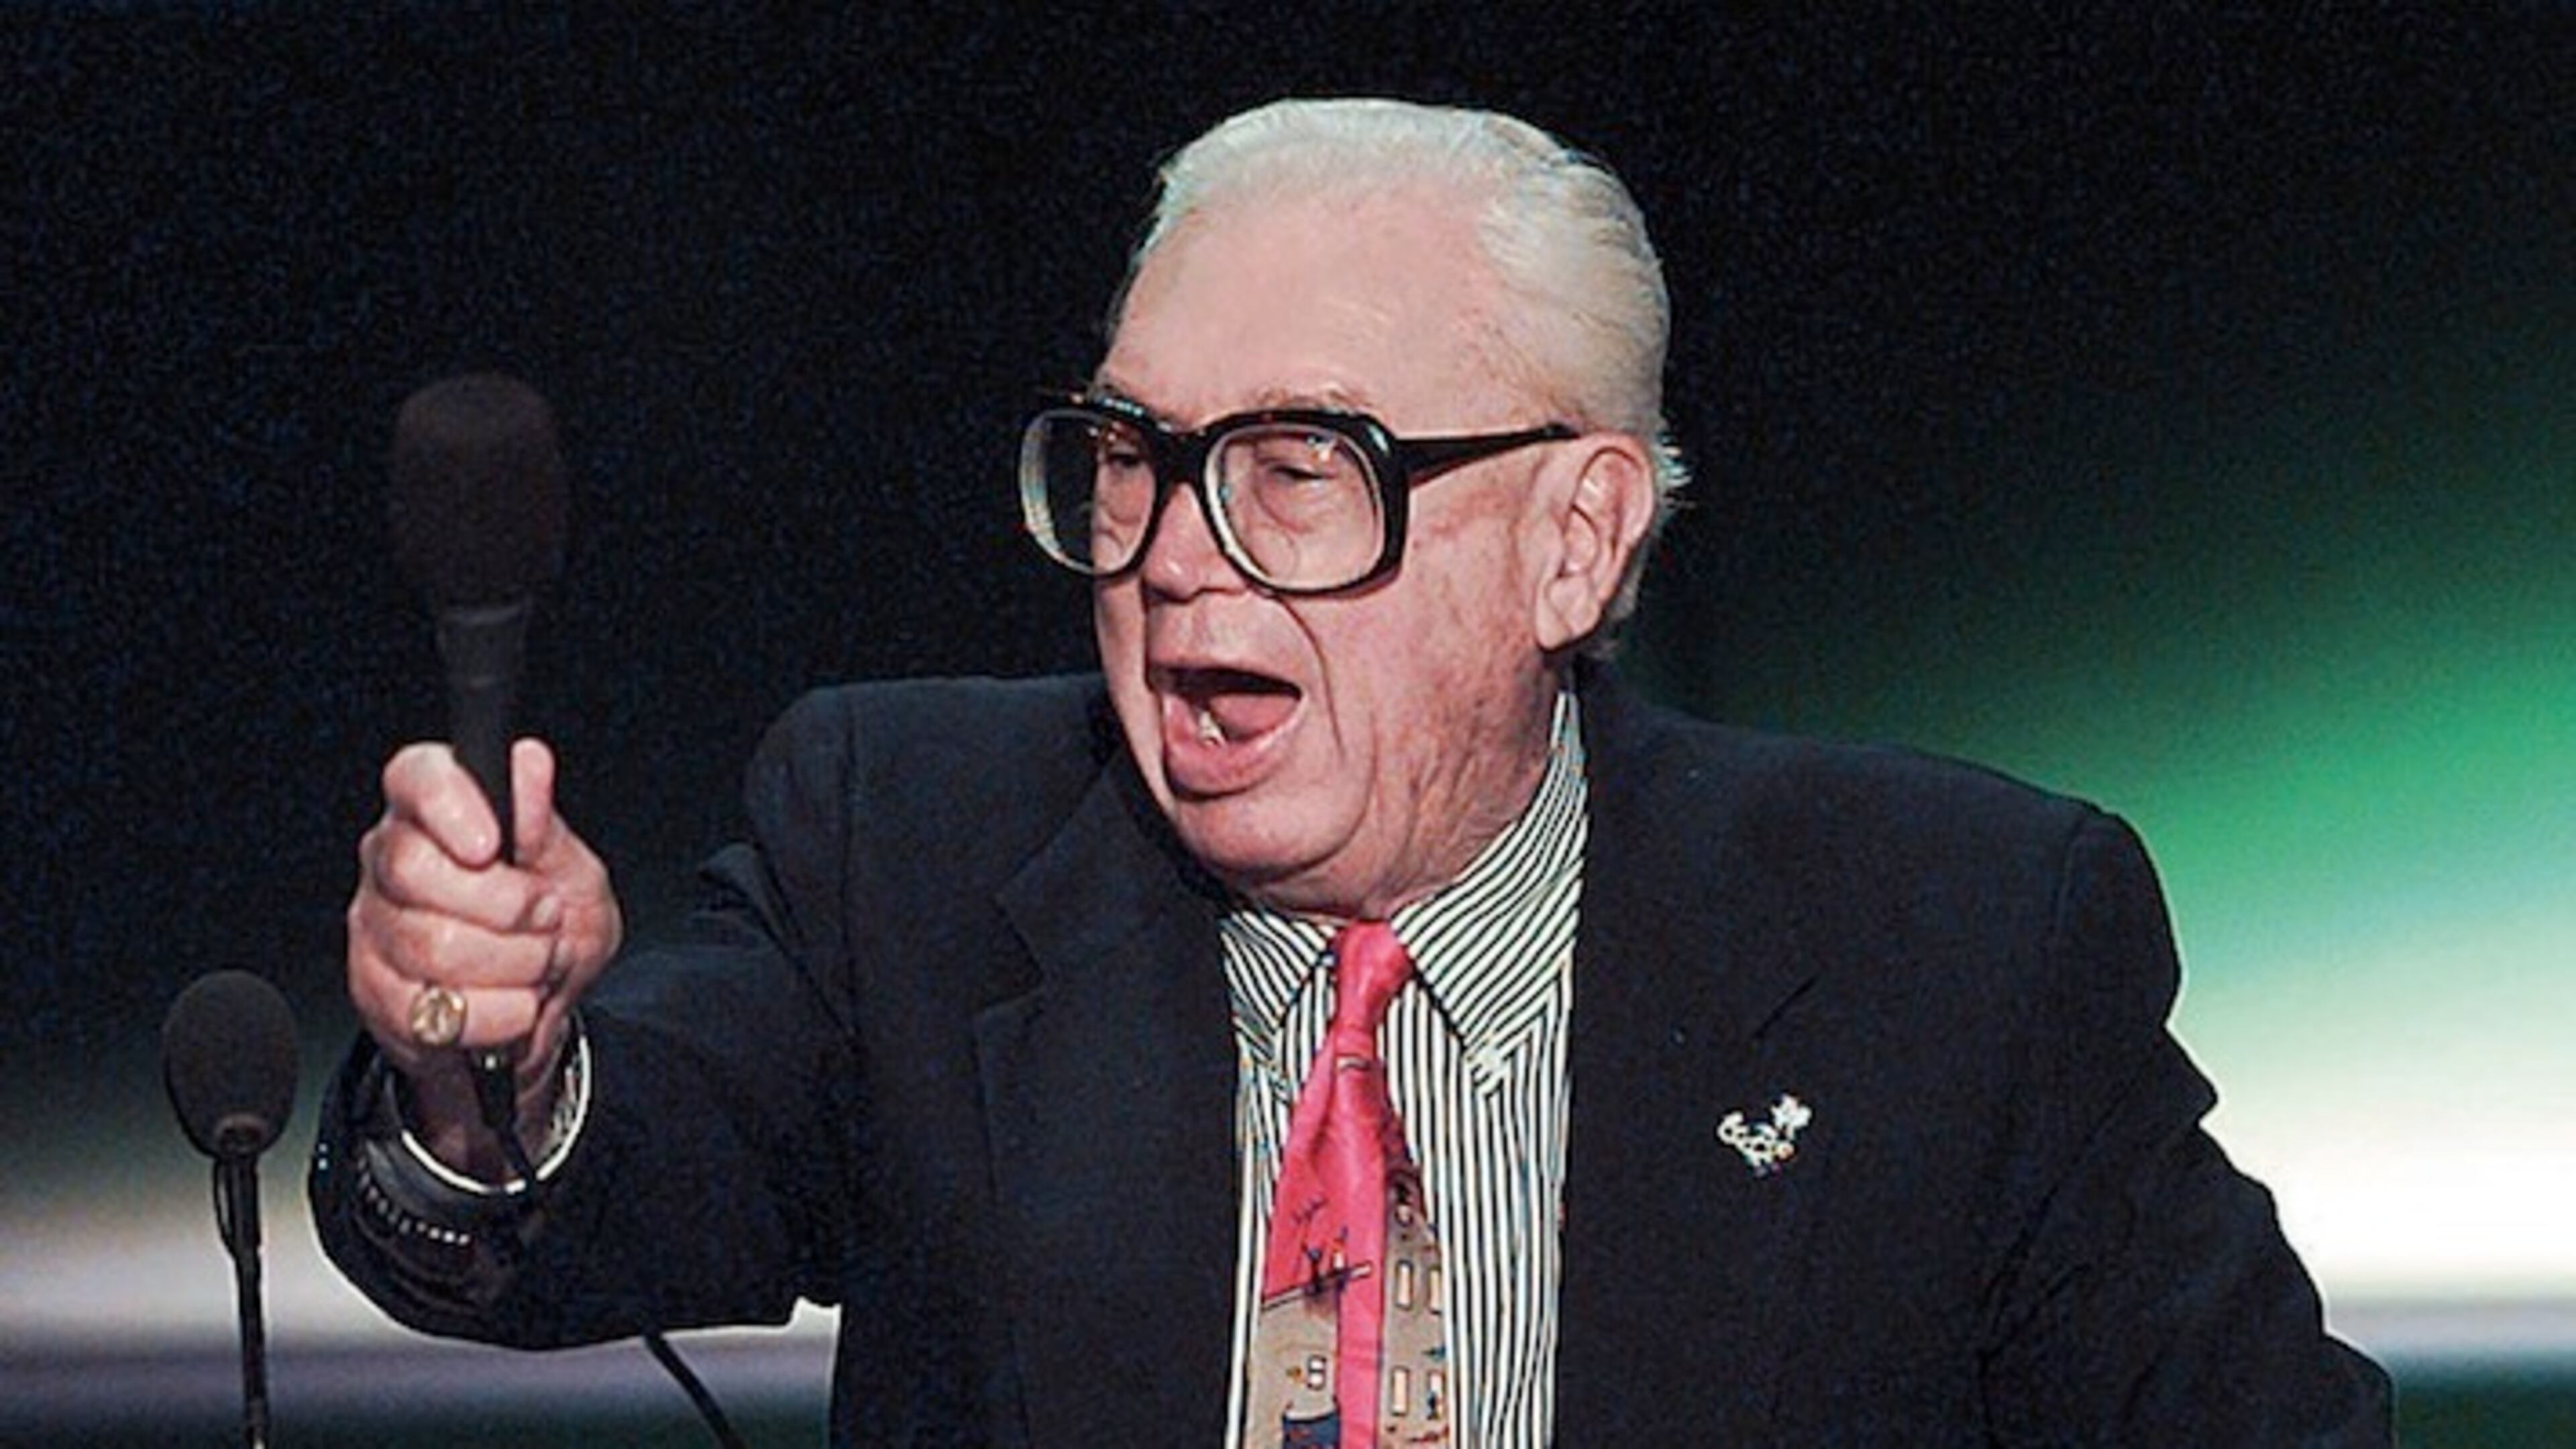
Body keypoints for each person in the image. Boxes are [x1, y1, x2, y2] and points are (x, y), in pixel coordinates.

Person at [312, 97, 2392, 1445]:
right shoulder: (909, 844)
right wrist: (478, 1066)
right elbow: (573, 1207)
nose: (1180, 551)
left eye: (1305, 470)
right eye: (1132, 460)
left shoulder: (1951, 941)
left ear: (1574, 541)